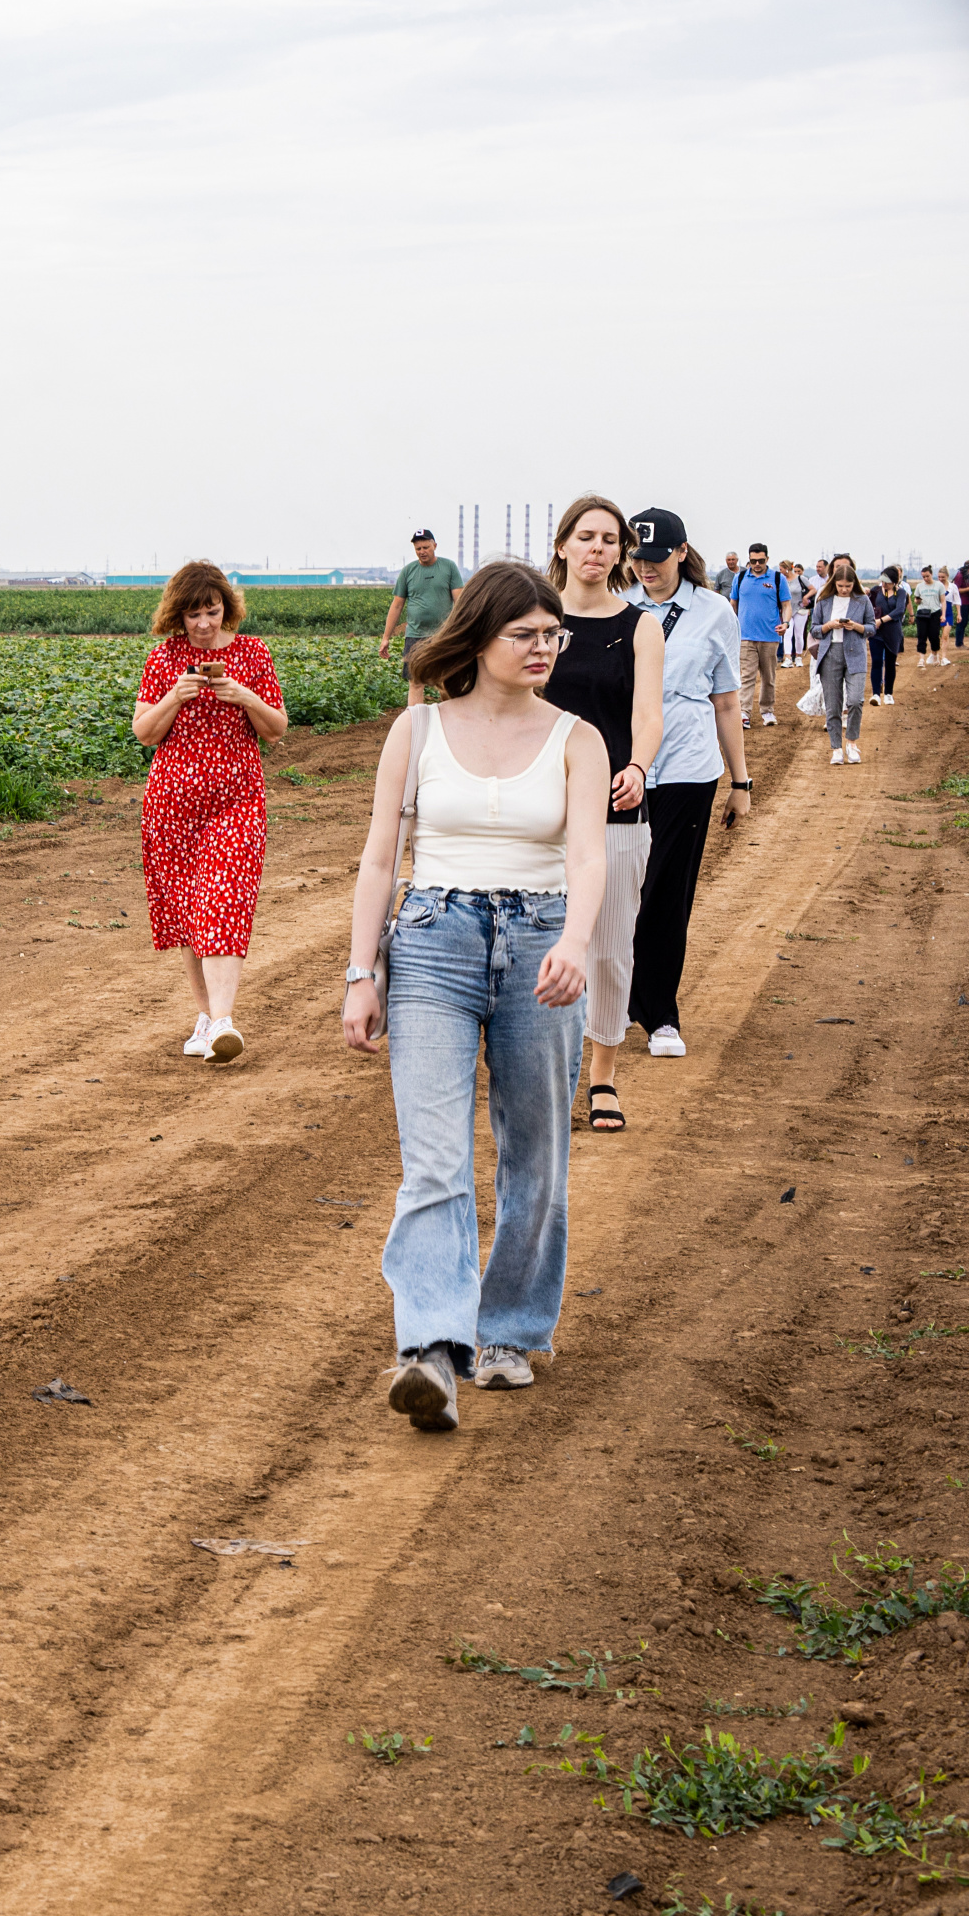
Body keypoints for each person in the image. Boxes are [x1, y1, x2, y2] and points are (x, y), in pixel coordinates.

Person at [342, 562, 610, 1427]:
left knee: (535, 1151)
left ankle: (509, 1329)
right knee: (434, 1158)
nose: (544, 649)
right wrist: (360, 972)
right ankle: (429, 1347)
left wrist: (575, 941)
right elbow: (381, 857)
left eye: (552, 635)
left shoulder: (578, 737)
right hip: (432, 942)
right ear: (482, 637)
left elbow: (587, 858)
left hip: (541, 944)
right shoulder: (415, 732)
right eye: (525, 634)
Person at [130, 561, 290, 1061]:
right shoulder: (163, 661)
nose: (204, 623)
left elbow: (277, 728)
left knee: (222, 902)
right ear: (178, 615)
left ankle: (222, 1019)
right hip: (172, 806)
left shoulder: (253, 653)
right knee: (188, 916)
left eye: (213, 611)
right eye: (194, 614)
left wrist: (243, 696)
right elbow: (145, 733)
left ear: (227, 608)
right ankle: (206, 1019)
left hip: (237, 802)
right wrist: (175, 698)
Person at [538, 495, 661, 1136]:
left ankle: (603, 1077)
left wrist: (638, 766)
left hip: (613, 809)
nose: (597, 549)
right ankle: (543, 1073)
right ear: (562, 545)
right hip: (538, 811)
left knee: (610, 947)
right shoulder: (534, 617)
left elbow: (647, 714)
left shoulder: (639, 626)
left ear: (622, 552)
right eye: (585, 536)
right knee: (535, 941)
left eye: (609, 540)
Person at [619, 510, 747, 1060]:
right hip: (624, 767)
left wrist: (740, 780)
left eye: (654, 558)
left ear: (680, 552)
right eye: (637, 559)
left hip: (689, 768)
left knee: (668, 893)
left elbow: (726, 700)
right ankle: (618, 1002)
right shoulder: (618, 606)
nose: (645, 569)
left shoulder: (715, 611)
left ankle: (660, 1014)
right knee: (618, 890)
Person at [380, 531, 463, 703]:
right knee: (416, 681)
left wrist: (463, 630)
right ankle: (416, 723)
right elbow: (396, 605)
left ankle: (449, 721)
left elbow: (460, 601)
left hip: (443, 635)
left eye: (426, 547)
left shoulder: (448, 567)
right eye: (418, 548)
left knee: (446, 680)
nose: (422, 551)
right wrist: (386, 637)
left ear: (435, 546)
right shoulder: (408, 571)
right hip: (415, 635)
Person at [810, 557, 877, 765]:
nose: (844, 590)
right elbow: (814, 629)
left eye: (848, 586)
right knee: (833, 705)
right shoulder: (823, 600)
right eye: (840, 586)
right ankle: (836, 748)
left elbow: (872, 628)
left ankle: (852, 743)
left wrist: (856, 627)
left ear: (854, 584)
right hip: (830, 653)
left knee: (856, 700)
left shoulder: (862, 600)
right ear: (834, 583)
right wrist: (829, 625)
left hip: (855, 652)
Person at [731, 540, 789, 726]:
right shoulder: (739, 579)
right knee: (747, 676)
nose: (757, 564)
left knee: (768, 677)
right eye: (754, 561)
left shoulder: (778, 579)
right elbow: (733, 604)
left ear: (767, 559)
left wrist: (785, 623)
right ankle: (743, 713)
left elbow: (786, 605)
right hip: (745, 637)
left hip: (770, 637)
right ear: (749, 560)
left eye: (761, 561)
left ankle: (767, 711)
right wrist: (733, 625)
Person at [870, 566, 909, 706]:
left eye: (887, 582)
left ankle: (888, 693)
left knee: (890, 663)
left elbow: (899, 611)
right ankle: (875, 693)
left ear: (894, 581)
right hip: (877, 633)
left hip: (893, 632)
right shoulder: (875, 591)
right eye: (882, 581)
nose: (884, 584)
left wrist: (881, 620)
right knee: (876, 662)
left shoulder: (901, 593)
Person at [916, 565, 951, 663]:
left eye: (927, 576)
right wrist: (917, 601)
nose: (925, 578)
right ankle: (921, 659)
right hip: (922, 613)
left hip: (934, 613)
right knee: (921, 636)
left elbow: (943, 601)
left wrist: (943, 615)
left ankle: (935, 654)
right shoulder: (919, 586)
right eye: (923, 577)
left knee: (934, 636)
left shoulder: (939, 585)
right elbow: (916, 599)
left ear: (931, 574)